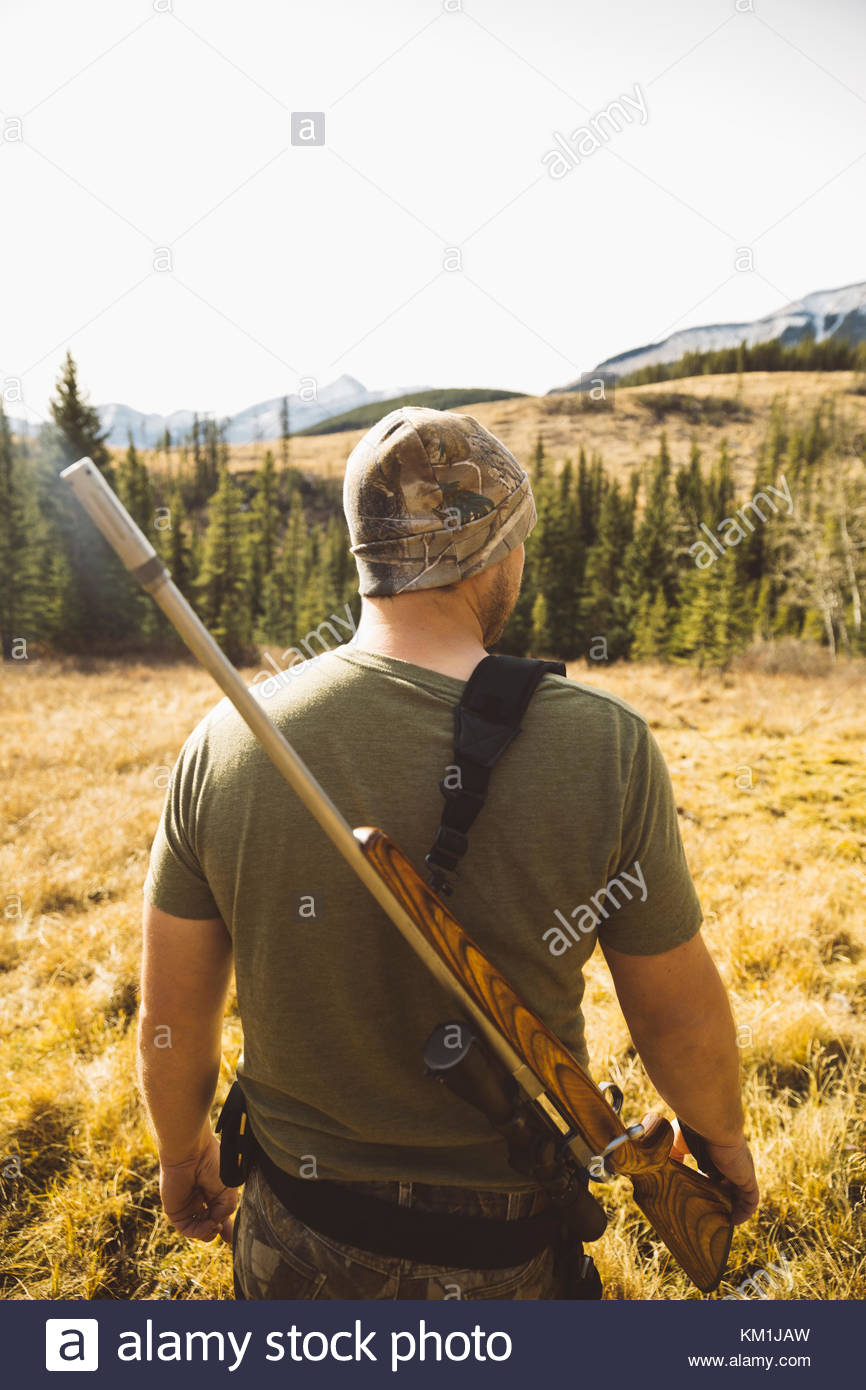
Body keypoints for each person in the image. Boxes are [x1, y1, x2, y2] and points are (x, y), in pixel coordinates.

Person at [139, 407, 758, 1300]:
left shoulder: (229, 741)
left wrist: (179, 1149)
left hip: (294, 1233)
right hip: (503, 1255)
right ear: (497, 553)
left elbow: (171, 1017)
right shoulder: (605, 745)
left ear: (366, 557)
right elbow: (674, 1014)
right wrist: (722, 1141)